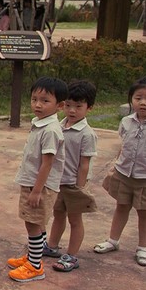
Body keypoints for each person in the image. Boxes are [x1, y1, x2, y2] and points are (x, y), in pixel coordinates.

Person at [94, 77, 146, 267]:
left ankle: (143, 248)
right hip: (125, 174)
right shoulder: (126, 121)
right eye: (138, 97)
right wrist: (116, 164)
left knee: (144, 212)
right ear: (131, 99)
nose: (142, 102)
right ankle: (113, 241)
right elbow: (124, 146)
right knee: (121, 207)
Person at [6, 77, 68, 283]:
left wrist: (37, 191)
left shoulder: (50, 130)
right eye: (34, 99)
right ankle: (34, 256)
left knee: (32, 223)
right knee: (37, 223)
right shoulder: (40, 123)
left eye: (44, 101)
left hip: (38, 185)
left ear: (59, 105)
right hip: (34, 183)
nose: (38, 105)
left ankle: (35, 267)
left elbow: (47, 163)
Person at [47, 80, 99, 272]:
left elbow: (84, 164)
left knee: (75, 220)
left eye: (78, 106)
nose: (72, 110)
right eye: (68, 105)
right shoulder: (59, 126)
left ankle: (72, 255)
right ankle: (52, 245)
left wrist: (79, 187)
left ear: (89, 108)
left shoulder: (87, 134)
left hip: (74, 185)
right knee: (58, 214)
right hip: (58, 181)